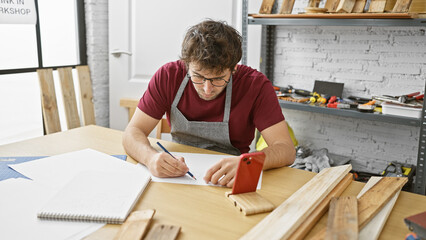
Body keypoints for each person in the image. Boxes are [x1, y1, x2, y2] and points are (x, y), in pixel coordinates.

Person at [123, 19, 295, 187]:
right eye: (198, 76)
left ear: (234, 68)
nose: (207, 89)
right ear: (187, 64)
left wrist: (248, 162)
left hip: (229, 180)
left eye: (218, 79)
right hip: (178, 178)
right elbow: (133, 132)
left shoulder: (255, 85)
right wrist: (150, 158)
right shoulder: (168, 76)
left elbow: (286, 149)